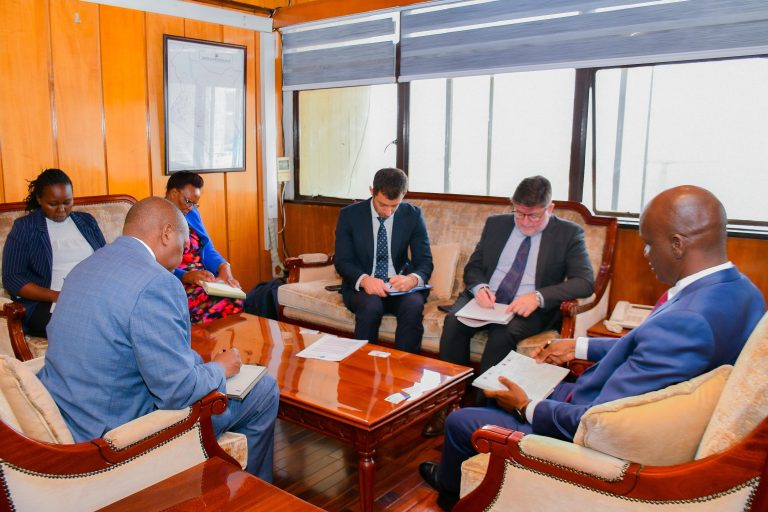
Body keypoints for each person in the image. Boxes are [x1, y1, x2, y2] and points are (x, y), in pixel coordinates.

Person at [419, 185, 766, 510]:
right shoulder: (743, 292)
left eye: (648, 243)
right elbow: (644, 346)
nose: (645, 253)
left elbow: (595, 423)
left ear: (677, 245)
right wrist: (578, 346)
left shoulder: (688, 321)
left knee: (462, 421)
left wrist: (526, 406)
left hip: (588, 429)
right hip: (608, 403)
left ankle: (453, 494)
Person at [39, 197, 279, 481]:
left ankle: (215, 476)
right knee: (264, 389)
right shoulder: (158, 283)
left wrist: (199, 366)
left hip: (72, 415)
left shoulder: (85, 266)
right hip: (116, 437)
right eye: (183, 244)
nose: (183, 253)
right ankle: (251, 493)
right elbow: (176, 392)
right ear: (166, 233)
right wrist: (219, 369)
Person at [422, 176, 594, 437]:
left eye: (533, 216)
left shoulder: (569, 233)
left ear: (550, 208)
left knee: (503, 334)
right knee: (454, 323)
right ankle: (446, 405)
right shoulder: (496, 224)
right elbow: (474, 267)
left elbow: (585, 282)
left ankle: (482, 413)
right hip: (486, 301)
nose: (525, 222)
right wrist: (479, 287)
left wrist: (538, 296)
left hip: (528, 307)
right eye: (519, 213)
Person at [334, 168, 433, 353]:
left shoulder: (413, 215)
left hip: (399, 286)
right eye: (382, 205)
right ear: (372, 191)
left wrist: (412, 279)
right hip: (364, 286)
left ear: (404, 194)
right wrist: (364, 280)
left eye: (394, 206)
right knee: (370, 307)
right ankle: (363, 365)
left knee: (413, 307)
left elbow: (425, 261)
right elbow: (342, 260)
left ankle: (405, 366)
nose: (388, 212)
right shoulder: (350, 215)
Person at [2, 168, 106, 337]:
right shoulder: (25, 227)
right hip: (46, 303)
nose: (61, 209)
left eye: (67, 202)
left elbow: (105, 260)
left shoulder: (86, 221)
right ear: (39, 199)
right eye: (53, 204)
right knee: (87, 326)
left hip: (91, 296)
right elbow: (12, 278)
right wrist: (56, 296)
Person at [165, 171, 244, 324]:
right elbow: (154, 261)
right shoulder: (156, 215)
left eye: (194, 203)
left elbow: (207, 248)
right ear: (174, 193)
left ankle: (219, 341)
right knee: (219, 304)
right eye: (188, 201)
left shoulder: (191, 213)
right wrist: (185, 276)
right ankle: (203, 340)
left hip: (202, 278)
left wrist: (224, 267)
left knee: (235, 297)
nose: (191, 207)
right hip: (176, 281)